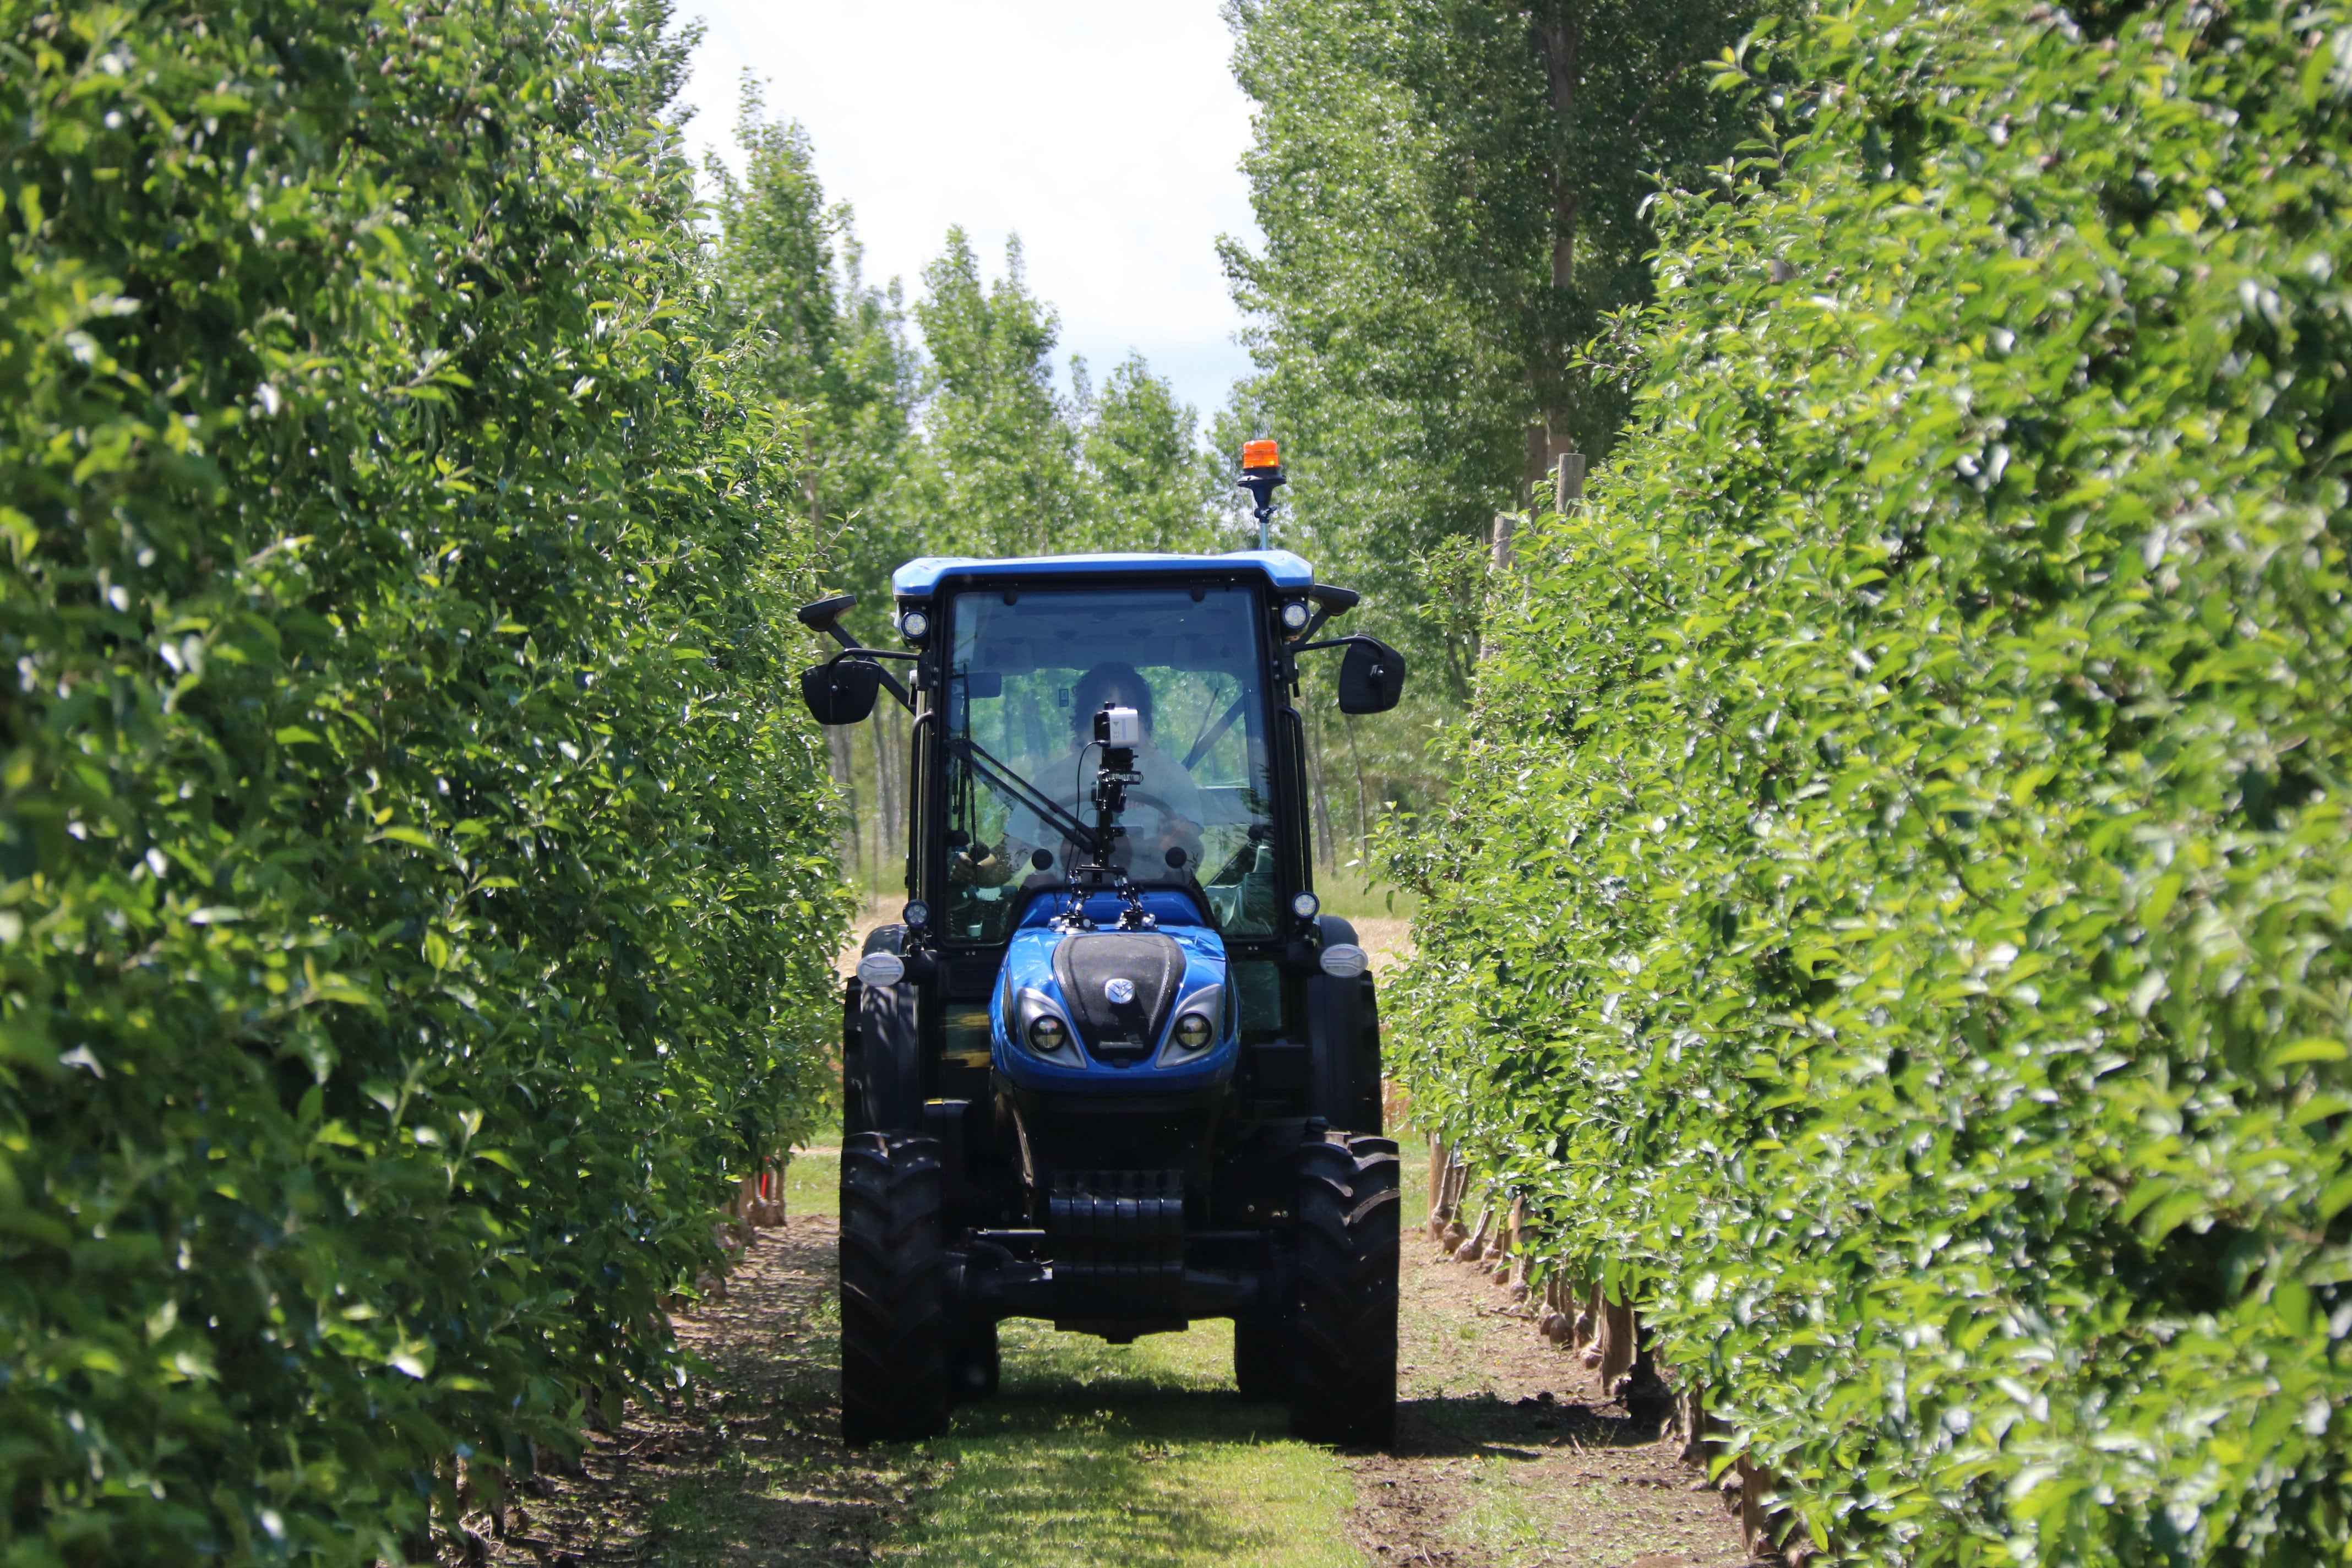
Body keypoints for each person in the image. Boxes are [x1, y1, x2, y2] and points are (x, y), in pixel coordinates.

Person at [954, 661, 1206, 888]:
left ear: (1141, 717)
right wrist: (974, 872)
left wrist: (1177, 841)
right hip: (1062, 909)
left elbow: (1190, 856)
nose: (1114, 721)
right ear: (1086, 717)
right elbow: (1012, 857)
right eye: (1104, 710)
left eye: (1125, 710)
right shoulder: (1052, 781)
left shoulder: (1171, 776)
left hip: (1155, 907)